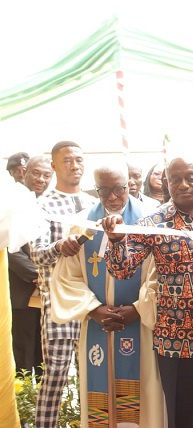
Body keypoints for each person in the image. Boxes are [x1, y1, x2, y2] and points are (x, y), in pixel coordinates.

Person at [100, 158, 193, 428]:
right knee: (179, 417)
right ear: (166, 182)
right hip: (175, 342)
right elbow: (122, 271)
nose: (184, 184)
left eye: (190, 177)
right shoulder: (153, 222)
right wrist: (117, 241)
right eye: (175, 179)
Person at [49, 162, 165, 427]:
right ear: (96, 189)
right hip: (97, 326)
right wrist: (93, 309)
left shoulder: (151, 219)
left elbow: (161, 273)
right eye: (104, 191)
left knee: (142, 402)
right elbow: (67, 275)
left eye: (118, 189)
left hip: (141, 325)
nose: (112, 197)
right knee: (99, 401)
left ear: (129, 185)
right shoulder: (82, 223)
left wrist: (137, 309)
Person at [30, 141, 97, 427]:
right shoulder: (43, 204)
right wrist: (60, 245)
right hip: (58, 301)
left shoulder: (95, 204)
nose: (74, 165)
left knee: (93, 372)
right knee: (56, 372)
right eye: (67, 160)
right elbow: (37, 254)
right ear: (54, 165)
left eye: (79, 160)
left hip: (94, 302)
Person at [9, 156, 52, 378]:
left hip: (48, 295)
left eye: (47, 175)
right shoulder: (11, 202)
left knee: (43, 353)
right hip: (23, 292)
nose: (41, 179)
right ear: (24, 172)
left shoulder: (51, 204)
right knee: (23, 351)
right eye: (36, 173)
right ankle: (24, 400)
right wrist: (40, 274)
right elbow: (10, 248)